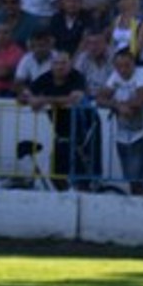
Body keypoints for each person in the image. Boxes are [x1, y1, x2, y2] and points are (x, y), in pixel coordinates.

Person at [25, 50, 100, 191]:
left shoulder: (77, 77)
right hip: (61, 134)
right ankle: (66, 200)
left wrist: (44, 100)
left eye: (63, 63)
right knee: (55, 174)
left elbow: (75, 99)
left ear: (70, 64)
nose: (59, 67)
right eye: (56, 63)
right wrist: (32, 99)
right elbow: (26, 95)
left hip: (83, 132)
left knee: (82, 177)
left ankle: (85, 200)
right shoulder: (46, 77)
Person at [97, 49, 143, 196]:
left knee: (136, 180)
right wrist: (118, 106)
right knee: (131, 180)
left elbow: (140, 101)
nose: (123, 70)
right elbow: (100, 98)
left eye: (127, 65)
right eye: (119, 66)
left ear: (133, 64)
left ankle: (142, 208)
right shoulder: (115, 76)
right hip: (122, 135)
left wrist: (116, 104)